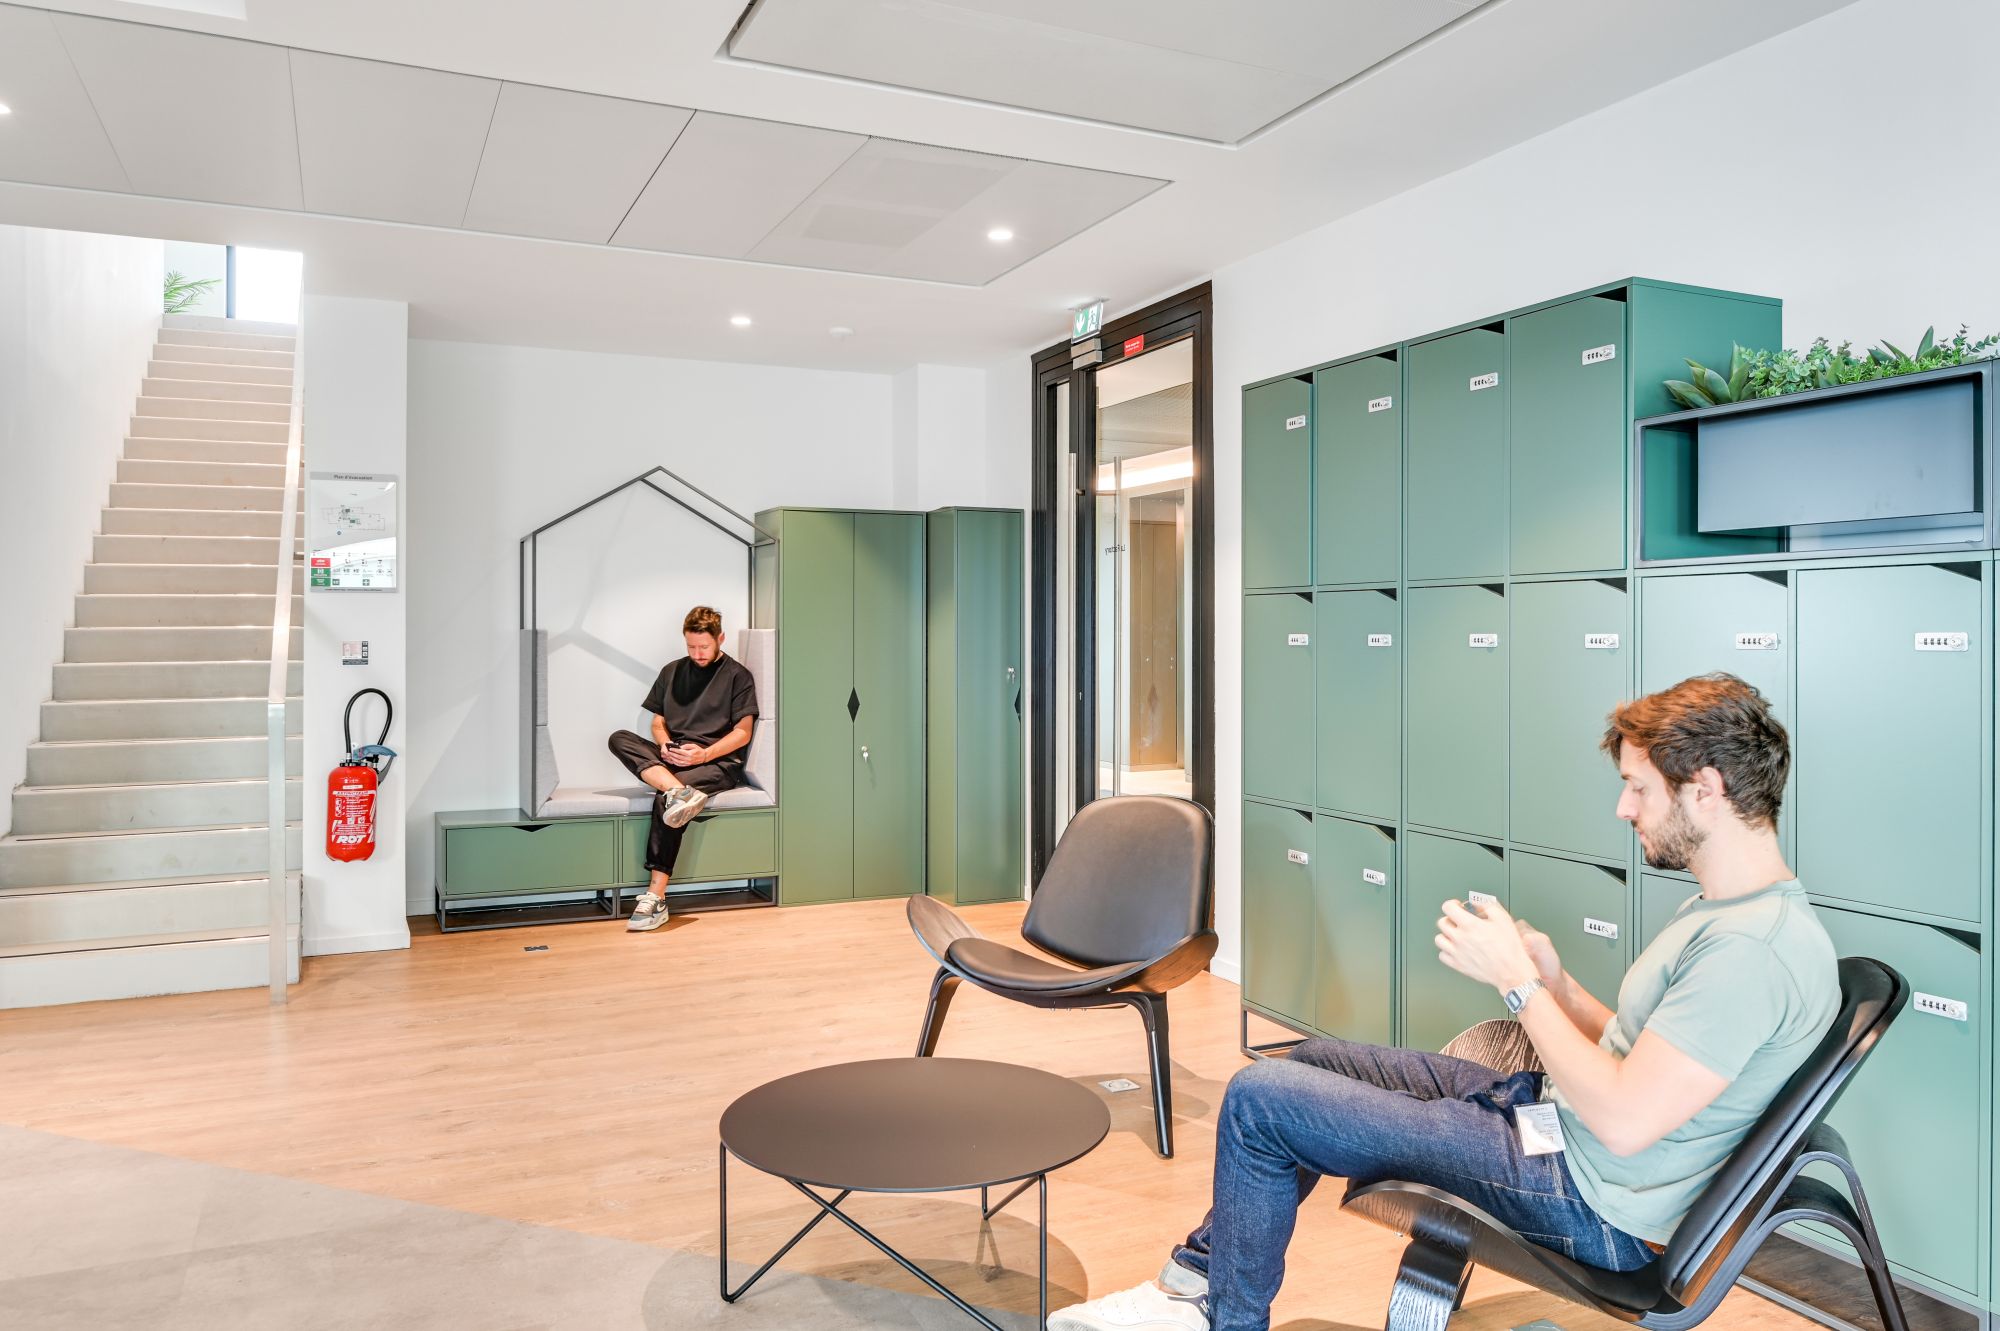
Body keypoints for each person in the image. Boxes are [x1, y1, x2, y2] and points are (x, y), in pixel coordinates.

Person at [1049, 673, 1837, 1331]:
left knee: (1262, 1098)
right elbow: (1646, 1056)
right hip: (1555, 1128)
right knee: (1311, 1058)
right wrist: (1557, 983)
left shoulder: (1752, 952)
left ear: (1706, 789)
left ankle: (1220, 1313)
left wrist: (1520, 987)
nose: (1623, 809)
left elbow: (1628, 1119)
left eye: (1638, 788)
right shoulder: (1730, 913)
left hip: (1585, 1194)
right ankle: (1194, 1283)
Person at [605, 605, 757, 933]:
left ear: (720, 639)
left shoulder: (738, 676)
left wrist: (703, 755)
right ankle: (677, 790)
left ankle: (656, 897)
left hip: (716, 763)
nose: (697, 654)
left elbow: (743, 732)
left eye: (704, 646)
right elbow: (657, 722)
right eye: (691, 646)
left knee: (665, 802)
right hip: (675, 758)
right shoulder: (671, 671)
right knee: (619, 738)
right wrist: (664, 745)